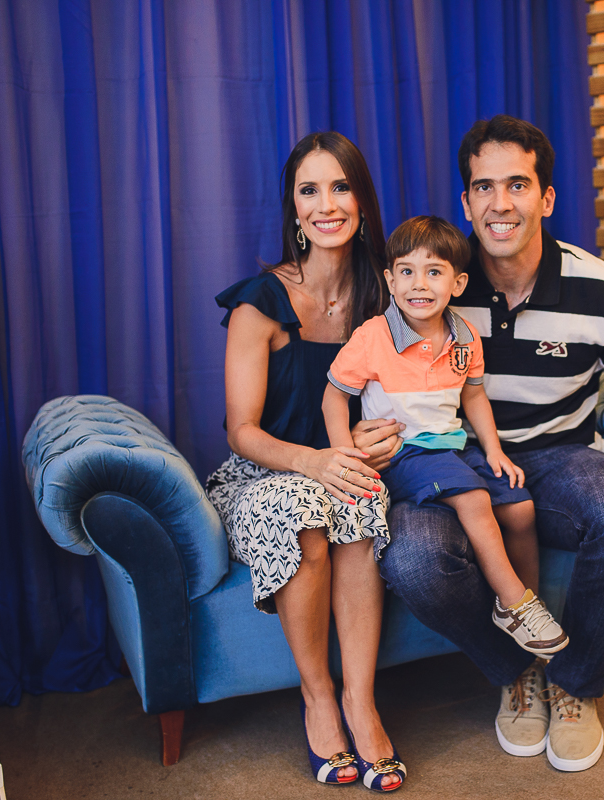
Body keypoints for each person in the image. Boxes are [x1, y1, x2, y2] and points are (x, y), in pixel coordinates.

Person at [355, 116, 604, 773]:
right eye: (483, 187)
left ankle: (574, 683)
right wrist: (369, 428)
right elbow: (373, 375)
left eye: (518, 185)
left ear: (547, 198)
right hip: (448, 460)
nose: (501, 203)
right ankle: (515, 671)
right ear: (467, 201)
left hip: (562, 456)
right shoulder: (433, 284)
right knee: (413, 559)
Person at [204, 131, 406, 791]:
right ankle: (319, 697)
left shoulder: (387, 294)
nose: (327, 204)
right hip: (263, 474)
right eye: (309, 189)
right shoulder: (259, 303)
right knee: (305, 509)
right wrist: (313, 462)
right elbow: (241, 431)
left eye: (341, 187)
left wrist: (390, 437)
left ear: (362, 200)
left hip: (342, 465)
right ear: (293, 207)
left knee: (359, 499)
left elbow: (417, 390)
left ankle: (361, 699)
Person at [321, 215, 567, 658]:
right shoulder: (373, 336)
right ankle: (513, 604)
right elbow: (333, 399)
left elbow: (474, 399)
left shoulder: (464, 335)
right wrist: (345, 456)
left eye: (434, 272)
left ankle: (530, 613)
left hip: (452, 445)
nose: (420, 284)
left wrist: (495, 452)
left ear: (457, 283)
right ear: (390, 281)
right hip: (403, 452)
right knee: (473, 500)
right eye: (407, 272)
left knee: (520, 506)